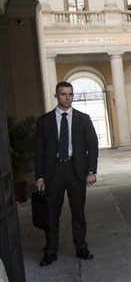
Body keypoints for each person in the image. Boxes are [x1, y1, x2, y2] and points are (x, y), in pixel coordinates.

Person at [34, 81, 99, 266]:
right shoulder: (44, 121)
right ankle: (50, 251)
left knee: (78, 212)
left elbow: (92, 146)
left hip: (75, 170)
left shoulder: (83, 119)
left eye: (70, 94)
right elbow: (38, 151)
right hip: (53, 171)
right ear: (56, 96)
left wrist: (91, 171)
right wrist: (39, 176)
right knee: (51, 213)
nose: (67, 97)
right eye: (63, 94)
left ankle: (81, 248)